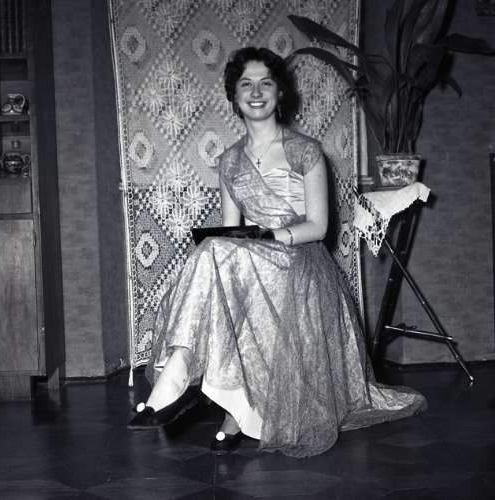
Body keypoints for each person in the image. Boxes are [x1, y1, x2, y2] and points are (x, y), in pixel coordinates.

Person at [128, 46, 426, 458]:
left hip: (298, 258)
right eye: (246, 85)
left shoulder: (305, 150)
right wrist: (244, 243)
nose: (256, 92)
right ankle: (217, 396)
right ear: (233, 96)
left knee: (216, 253)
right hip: (252, 260)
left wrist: (270, 236)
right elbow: (230, 234)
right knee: (215, 252)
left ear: (280, 92)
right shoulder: (229, 161)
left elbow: (318, 228)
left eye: (265, 83)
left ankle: (179, 378)